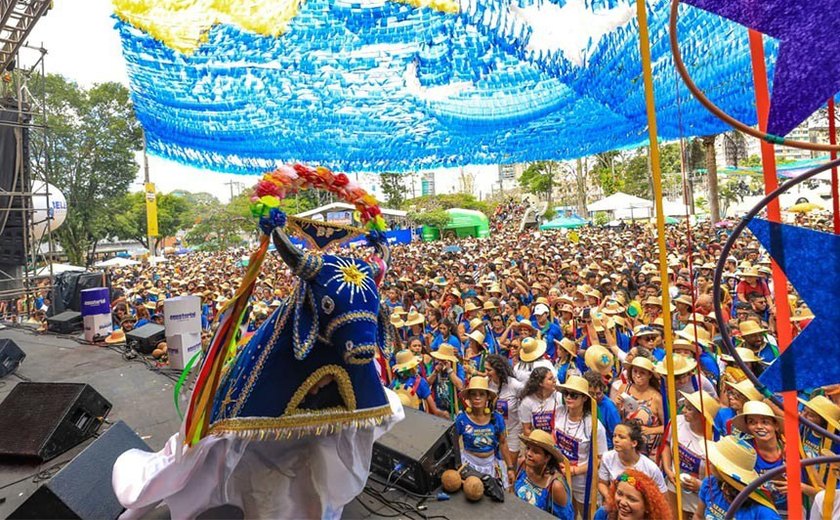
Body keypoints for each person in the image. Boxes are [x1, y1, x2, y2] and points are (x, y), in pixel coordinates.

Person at [554, 375, 608, 516]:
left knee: (585, 515)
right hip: (560, 476)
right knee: (565, 513)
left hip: (583, 483)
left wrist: (574, 471)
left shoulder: (594, 426)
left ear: (584, 398)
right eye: (566, 393)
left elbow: (600, 459)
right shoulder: (559, 412)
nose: (568, 398)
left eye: (574, 395)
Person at [661, 390, 720, 519]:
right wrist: (668, 469)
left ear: (701, 415)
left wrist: (700, 485)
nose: (683, 411)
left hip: (699, 495)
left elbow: (718, 474)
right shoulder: (676, 422)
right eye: (684, 406)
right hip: (674, 486)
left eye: (689, 409)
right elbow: (666, 444)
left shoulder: (715, 439)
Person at [694, 435, 781, 519]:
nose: (708, 461)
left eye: (713, 459)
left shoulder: (762, 511)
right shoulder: (710, 483)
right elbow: (698, 516)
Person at [454, 376, 515, 488]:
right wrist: (457, 465)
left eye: (481, 394)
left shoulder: (496, 418)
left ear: (487, 398)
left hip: (491, 465)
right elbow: (454, 443)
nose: (477, 398)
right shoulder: (462, 419)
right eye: (474, 394)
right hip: (469, 465)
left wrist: (510, 468)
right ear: (469, 398)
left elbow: (503, 443)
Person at [731, 401, 787, 516]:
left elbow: (816, 489)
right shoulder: (743, 449)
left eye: (765, 422)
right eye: (752, 422)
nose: (759, 427)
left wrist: (797, 487)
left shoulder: (791, 450)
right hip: (754, 511)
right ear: (747, 426)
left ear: (775, 425)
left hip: (788, 511)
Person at [514, 429, 574, 519]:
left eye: (536, 452)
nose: (529, 454)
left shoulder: (555, 486)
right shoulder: (522, 464)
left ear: (547, 457)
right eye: (528, 448)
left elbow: (565, 518)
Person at [598, 422, 666, 500]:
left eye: (621, 437)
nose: (616, 440)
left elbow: (663, 496)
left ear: (634, 443)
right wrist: (611, 499)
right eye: (614, 436)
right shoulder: (607, 458)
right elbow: (602, 483)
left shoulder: (651, 468)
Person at [615, 356, 664, 457]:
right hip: (626, 448)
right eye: (635, 371)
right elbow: (618, 418)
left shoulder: (657, 398)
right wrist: (617, 405)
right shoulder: (624, 389)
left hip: (649, 452)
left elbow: (668, 427)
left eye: (642, 372)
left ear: (650, 375)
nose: (637, 375)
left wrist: (651, 430)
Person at [486, 354, 524, 465]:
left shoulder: (515, 385)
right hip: (494, 430)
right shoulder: (486, 383)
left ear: (498, 370)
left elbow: (527, 403)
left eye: (489, 370)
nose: (486, 373)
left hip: (512, 431)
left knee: (509, 466)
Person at [594, 469, 673, 520]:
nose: (622, 502)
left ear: (648, 507)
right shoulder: (603, 514)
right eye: (619, 494)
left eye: (631, 499)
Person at [519, 366, 560, 436]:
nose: (554, 381)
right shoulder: (527, 402)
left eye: (553, 378)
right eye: (550, 379)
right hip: (536, 443)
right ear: (540, 383)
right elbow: (526, 430)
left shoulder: (559, 397)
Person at [427, 344, 465, 419]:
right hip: (439, 408)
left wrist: (450, 371)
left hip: (454, 410)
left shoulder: (457, 367)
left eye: (443, 360)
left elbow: (460, 386)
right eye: (439, 359)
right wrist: (435, 372)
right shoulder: (434, 366)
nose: (441, 361)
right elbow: (427, 384)